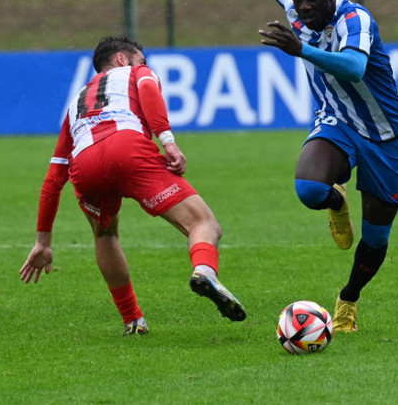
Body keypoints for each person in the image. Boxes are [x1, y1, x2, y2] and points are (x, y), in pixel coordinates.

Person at [197, 0, 398, 332]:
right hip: (337, 122)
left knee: (375, 238)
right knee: (309, 189)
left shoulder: (354, 20)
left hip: (384, 134)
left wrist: (301, 51)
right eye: (300, 0)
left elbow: (355, 67)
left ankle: (349, 298)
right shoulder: (294, 4)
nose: (305, 6)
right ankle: (335, 200)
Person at [20, 35, 246, 336]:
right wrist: (168, 141)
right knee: (203, 222)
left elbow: (54, 177)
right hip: (128, 150)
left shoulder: (76, 102)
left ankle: (133, 320)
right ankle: (205, 272)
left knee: (105, 233)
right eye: (142, 59)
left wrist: (43, 242)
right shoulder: (136, 72)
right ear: (122, 59)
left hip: (85, 164)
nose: (145, 65)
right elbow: (149, 88)